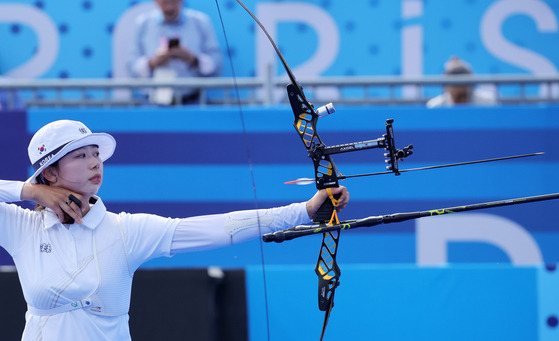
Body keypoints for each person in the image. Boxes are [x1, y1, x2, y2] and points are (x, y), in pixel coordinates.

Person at [0, 119, 348, 340]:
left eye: (96, 153)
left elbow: (219, 228)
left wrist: (302, 210)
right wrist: (29, 191)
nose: (94, 161)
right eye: (79, 156)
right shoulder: (23, 228)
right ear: (50, 173)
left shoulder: (127, 231)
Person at [127, 0, 222, 105]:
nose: (169, 8)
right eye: (164, 3)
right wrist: (153, 63)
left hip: (192, 104)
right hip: (153, 105)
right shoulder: (143, 23)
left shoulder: (201, 22)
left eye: (173, 2)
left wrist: (193, 59)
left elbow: (217, 64)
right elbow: (131, 67)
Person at [426, 57, 497, 108]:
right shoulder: (435, 106)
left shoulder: (488, 103)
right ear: (446, 88)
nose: (458, 85)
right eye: (454, 82)